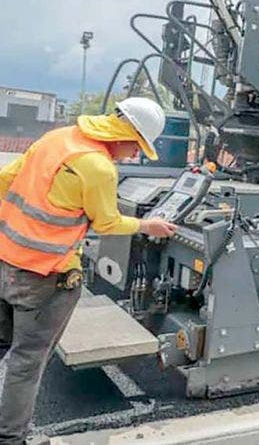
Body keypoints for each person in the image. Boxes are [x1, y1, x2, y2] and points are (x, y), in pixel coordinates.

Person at [0, 97, 177, 444]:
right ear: (125, 134)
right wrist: (147, 225)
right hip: (46, 275)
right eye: (136, 146)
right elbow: (107, 223)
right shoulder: (98, 166)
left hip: (6, 261)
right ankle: (11, 437)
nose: (133, 154)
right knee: (28, 362)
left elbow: (6, 180)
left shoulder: (57, 138)